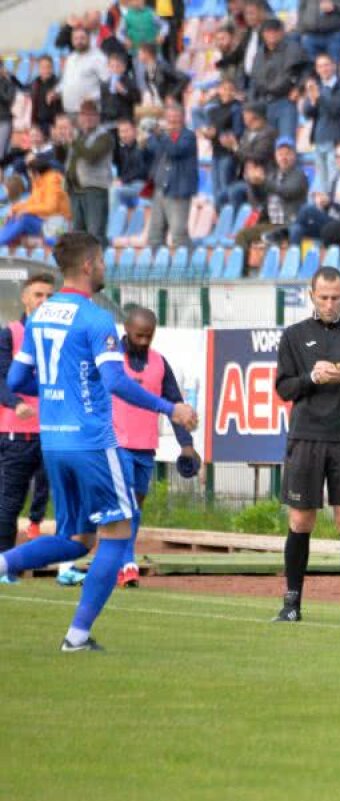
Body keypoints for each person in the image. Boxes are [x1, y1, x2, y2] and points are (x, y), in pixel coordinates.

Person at [1, 233, 197, 650]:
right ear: (89, 265)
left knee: (77, 539)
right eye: (103, 261)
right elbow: (115, 381)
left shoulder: (39, 315)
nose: (106, 268)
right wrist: (171, 409)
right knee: (118, 531)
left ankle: (3, 562)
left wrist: (60, 386)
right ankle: (77, 636)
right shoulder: (94, 318)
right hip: (92, 442)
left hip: (53, 442)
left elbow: (16, 381)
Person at [273, 267, 340, 625]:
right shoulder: (294, 335)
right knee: (300, 519)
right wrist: (311, 378)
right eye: (324, 297)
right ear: (311, 295)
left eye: (336, 297)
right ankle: (291, 604)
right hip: (306, 436)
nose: (330, 303)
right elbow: (284, 388)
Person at [111, 307, 199, 589]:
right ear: (127, 330)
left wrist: (187, 445)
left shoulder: (160, 363)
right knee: (126, 505)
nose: (145, 341)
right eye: (139, 336)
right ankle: (126, 562)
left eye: (149, 336)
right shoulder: (111, 362)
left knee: (136, 505)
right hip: (115, 444)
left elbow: (175, 404)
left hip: (145, 446)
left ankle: (120, 556)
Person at [0, 274, 56, 582]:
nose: (44, 301)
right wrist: (14, 403)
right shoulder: (10, 334)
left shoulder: (59, 336)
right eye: (38, 295)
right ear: (25, 298)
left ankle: (66, 567)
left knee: (62, 497)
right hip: (16, 434)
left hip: (54, 433)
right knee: (10, 501)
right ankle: (6, 566)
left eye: (49, 295)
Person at [236, 137, 311, 249]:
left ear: (294, 156)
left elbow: (288, 192)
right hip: (271, 223)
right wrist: (253, 184)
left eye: (287, 154)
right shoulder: (272, 175)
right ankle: (243, 265)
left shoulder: (299, 175)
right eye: (280, 154)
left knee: (270, 238)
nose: (284, 158)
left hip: (288, 224)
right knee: (243, 235)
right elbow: (259, 201)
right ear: (275, 156)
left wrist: (264, 181)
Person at [143, 104, 198, 249]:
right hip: (159, 189)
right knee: (155, 236)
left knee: (179, 235)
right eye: (169, 118)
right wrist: (152, 134)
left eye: (176, 117)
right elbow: (151, 147)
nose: (172, 121)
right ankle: (157, 268)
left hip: (178, 191)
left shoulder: (189, 136)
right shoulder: (164, 137)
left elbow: (175, 150)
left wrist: (161, 135)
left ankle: (190, 267)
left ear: (183, 118)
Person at [249, 18, 309, 141]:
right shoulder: (260, 53)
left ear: (281, 32)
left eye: (275, 31)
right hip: (264, 102)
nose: (271, 35)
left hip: (285, 100)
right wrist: (252, 105)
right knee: (266, 143)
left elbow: (307, 69)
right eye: (268, 32)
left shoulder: (293, 48)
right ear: (263, 34)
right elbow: (254, 80)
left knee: (286, 141)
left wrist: (298, 88)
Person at [303, 53, 340, 194]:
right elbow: (307, 112)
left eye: (326, 65)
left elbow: (335, 108)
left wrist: (319, 97)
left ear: (334, 66)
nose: (324, 69)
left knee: (334, 180)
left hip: (335, 140)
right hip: (319, 140)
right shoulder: (317, 87)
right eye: (320, 66)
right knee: (322, 182)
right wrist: (312, 101)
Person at [65, 101, 113, 246]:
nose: (88, 118)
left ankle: (99, 266)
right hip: (75, 189)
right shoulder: (79, 136)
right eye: (84, 115)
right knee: (78, 235)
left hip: (94, 189)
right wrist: (59, 144)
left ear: (98, 117)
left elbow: (91, 156)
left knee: (95, 234)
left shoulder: (104, 137)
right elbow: (64, 158)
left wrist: (73, 142)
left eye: (92, 115)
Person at [0, 158, 70, 247]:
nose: (29, 176)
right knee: (14, 216)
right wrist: (14, 209)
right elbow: (31, 202)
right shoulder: (38, 181)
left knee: (24, 219)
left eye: (29, 173)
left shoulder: (53, 181)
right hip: (44, 220)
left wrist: (26, 210)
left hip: (57, 223)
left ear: (36, 173)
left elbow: (50, 208)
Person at [61, 27, 108, 115]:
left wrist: (94, 96)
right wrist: (56, 92)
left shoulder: (99, 58)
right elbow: (65, 81)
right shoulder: (70, 58)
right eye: (76, 38)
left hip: (89, 112)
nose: (79, 41)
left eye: (82, 38)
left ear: (89, 38)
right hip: (69, 110)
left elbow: (108, 84)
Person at [298, 0, 340, 66]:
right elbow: (301, 9)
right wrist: (301, 31)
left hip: (333, 35)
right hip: (310, 36)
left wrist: (334, 6)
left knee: (335, 65)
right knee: (311, 67)